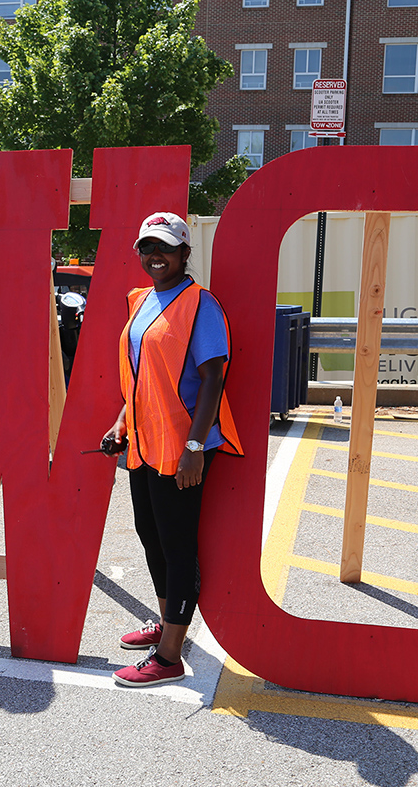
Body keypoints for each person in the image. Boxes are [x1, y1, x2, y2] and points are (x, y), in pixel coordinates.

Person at [102, 211, 243, 687]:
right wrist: (120, 423)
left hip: (182, 448)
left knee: (178, 546)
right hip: (143, 446)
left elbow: (214, 379)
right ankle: (168, 624)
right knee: (151, 537)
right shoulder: (140, 299)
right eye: (146, 247)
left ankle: (170, 656)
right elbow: (140, 378)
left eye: (164, 246)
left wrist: (195, 446)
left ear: (185, 252)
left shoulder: (200, 305)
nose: (154, 255)